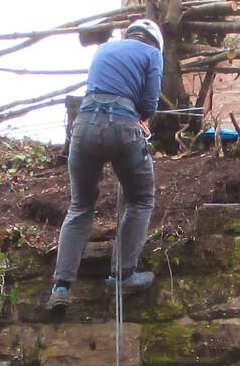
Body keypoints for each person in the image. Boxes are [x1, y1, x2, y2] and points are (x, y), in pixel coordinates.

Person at [47, 17, 163, 314]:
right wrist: (138, 119)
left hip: (84, 126)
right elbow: (149, 105)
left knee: (80, 205)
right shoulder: (152, 54)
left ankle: (61, 287)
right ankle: (122, 275)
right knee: (141, 200)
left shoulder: (104, 49)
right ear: (154, 41)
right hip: (123, 127)